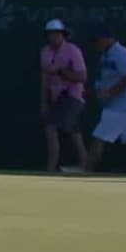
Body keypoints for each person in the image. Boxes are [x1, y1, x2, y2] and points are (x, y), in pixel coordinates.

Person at [84, 24, 126, 175]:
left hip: (121, 107)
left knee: (98, 137)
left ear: (107, 38)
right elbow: (106, 79)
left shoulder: (122, 54)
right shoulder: (104, 56)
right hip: (120, 106)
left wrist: (110, 92)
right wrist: (97, 91)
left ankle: (87, 171)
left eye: (98, 40)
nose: (96, 44)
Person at [39, 19, 89, 173]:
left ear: (62, 35)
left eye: (56, 34)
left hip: (72, 97)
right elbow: (45, 79)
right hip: (56, 99)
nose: (53, 37)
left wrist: (61, 71)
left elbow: (82, 77)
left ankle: (50, 169)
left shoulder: (73, 51)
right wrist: (44, 103)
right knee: (74, 134)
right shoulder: (45, 52)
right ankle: (87, 166)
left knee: (51, 128)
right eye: (50, 34)